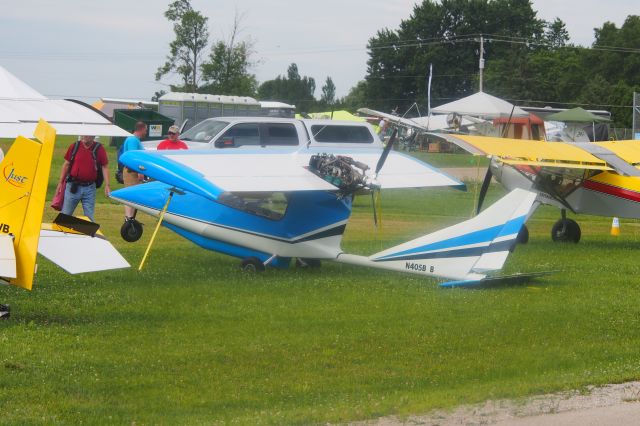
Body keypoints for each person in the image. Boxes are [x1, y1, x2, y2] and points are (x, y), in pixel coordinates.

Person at [56, 135, 110, 222]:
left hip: (90, 188)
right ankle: (61, 234)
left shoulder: (99, 148)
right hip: (72, 187)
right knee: (65, 216)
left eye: (87, 134)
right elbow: (66, 164)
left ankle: (88, 235)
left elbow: (105, 167)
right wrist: (60, 182)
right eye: (84, 134)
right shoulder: (74, 146)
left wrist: (107, 185)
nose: (84, 136)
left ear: (93, 136)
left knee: (89, 219)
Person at [121, 121, 147, 220]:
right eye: (145, 130)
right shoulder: (133, 140)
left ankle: (131, 217)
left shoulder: (135, 140)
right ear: (141, 129)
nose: (146, 132)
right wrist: (139, 171)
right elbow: (133, 158)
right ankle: (128, 217)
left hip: (133, 171)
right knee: (130, 194)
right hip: (131, 172)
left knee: (133, 195)